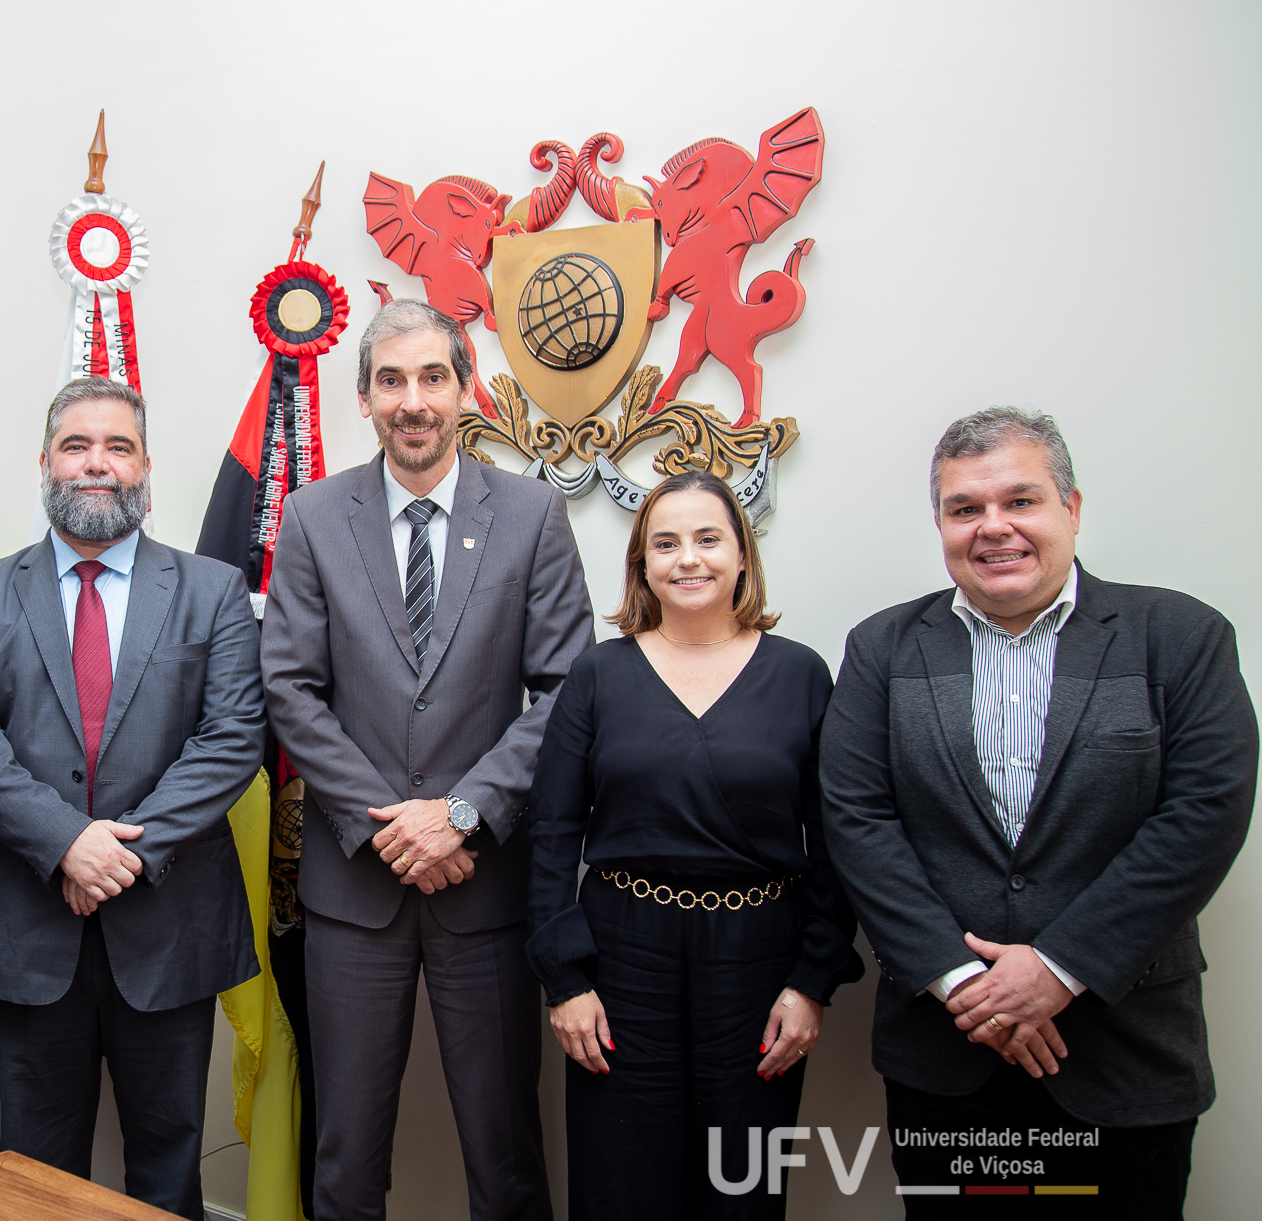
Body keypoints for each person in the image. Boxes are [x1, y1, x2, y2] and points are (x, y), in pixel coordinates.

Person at [821, 406, 1257, 1218]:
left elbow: (1203, 814)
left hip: (1125, 1055)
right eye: (965, 508)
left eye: (1019, 500)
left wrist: (1056, 969)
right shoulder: (882, 648)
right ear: (942, 523)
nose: (994, 527)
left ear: (1072, 508)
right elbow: (857, 819)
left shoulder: (1180, 637)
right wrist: (964, 984)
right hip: (946, 1056)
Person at [260, 299, 593, 1221]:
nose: (414, 400)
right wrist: (395, 824)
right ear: (363, 396)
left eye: (432, 378)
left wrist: (460, 812)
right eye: (392, 380)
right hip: (354, 895)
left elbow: (566, 689)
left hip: (482, 888)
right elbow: (289, 687)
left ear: (465, 389)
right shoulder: (315, 513)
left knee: (507, 1157)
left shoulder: (531, 513)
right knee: (345, 1161)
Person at [0, 377, 265, 1221]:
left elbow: (232, 739)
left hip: (171, 920)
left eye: (117, 447)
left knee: (168, 1163)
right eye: (77, 446)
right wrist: (68, 844)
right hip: (29, 924)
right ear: (45, 462)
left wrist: (121, 854)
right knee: (34, 1177)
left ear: (145, 465)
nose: (96, 464)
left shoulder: (212, 590)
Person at [526, 470, 862, 1220]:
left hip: (760, 956)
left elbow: (839, 841)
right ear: (641, 562)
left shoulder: (802, 674)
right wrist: (566, 982)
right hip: (622, 956)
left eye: (709, 539)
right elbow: (551, 834)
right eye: (665, 542)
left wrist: (812, 983)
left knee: (741, 1184)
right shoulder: (598, 673)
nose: (688, 558)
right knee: (622, 1185)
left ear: (743, 554)